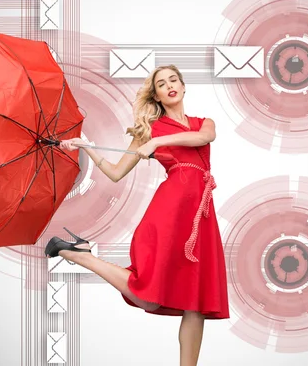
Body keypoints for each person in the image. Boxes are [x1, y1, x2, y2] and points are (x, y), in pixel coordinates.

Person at [45, 65, 230, 366]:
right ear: (156, 95)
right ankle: (83, 257)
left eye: (173, 80)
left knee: (196, 303)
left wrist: (157, 143)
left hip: (201, 215)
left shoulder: (202, 123)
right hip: (170, 213)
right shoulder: (149, 130)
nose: (169, 85)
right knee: (149, 293)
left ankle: (80, 253)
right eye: (161, 83)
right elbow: (116, 173)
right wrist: (87, 148)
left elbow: (202, 139)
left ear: (183, 87)